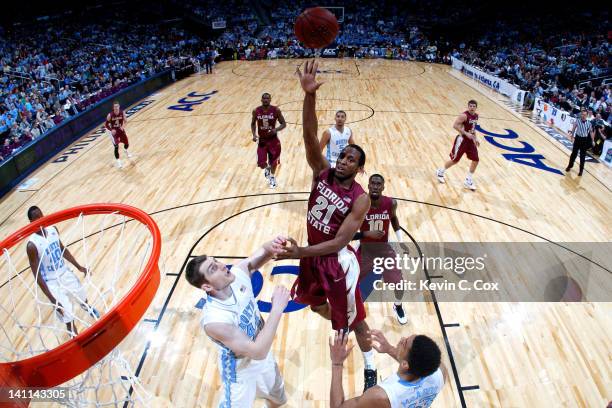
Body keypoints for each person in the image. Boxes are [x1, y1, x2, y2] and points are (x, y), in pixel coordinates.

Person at [278, 60, 378, 391]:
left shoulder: (360, 199)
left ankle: (370, 365)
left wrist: (300, 252)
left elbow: (337, 244)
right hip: (311, 256)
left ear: (358, 168)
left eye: (351, 159)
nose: (343, 160)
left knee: (357, 323)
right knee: (313, 303)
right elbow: (308, 135)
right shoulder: (320, 172)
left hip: (335, 262)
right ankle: (341, 318)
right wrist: (308, 96)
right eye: (343, 155)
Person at [185, 236, 290, 408]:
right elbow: (257, 351)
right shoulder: (214, 319)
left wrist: (271, 246)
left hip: (263, 357)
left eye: (216, 261)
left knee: (277, 399)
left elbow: (255, 259)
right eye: (213, 268)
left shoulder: (236, 275)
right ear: (207, 287)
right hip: (240, 371)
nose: (222, 266)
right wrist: (277, 308)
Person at [25, 206, 100, 337]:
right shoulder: (32, 245)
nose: (40, 220)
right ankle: (75, 338)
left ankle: (88, 308)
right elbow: (37, 276)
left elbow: (62, 250)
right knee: (67, 314)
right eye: (36, 218)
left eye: (41, 216)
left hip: (64, 273)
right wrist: (52, 299)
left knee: (82, 296)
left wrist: (79, 266)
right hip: (51, 282)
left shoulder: (53, 230)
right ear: (31, 222)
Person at [328, 330, 446, 407]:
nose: (402, 338)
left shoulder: (380, 396)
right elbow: (412, 363)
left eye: (404, 343)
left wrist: (337, 363)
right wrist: (390, 349)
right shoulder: (439, 372)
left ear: (405, 365)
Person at [353, 174, 408, 325]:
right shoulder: (360, 204)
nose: (375, 187)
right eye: (373, 184)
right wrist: (365, 235)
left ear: (383, 187)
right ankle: (351, 308)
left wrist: (401, 241)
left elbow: (394, 219)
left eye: (379, 184)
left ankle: (398, 306)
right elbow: (349, 232)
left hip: (384, 250)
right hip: (365, 249)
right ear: (368, 186)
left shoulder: (391, 203)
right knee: (349, 282)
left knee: (399, 284)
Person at [436, 100, 480, 190]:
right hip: (462, 140)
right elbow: (455, 125)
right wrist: (466, 133)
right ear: (468, 106)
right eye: (470, 106)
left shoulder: (476, 116)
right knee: (455, 160)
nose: (472, 107)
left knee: (476, 160)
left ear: (476, 107)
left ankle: (468, 180)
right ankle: (440, 172)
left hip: (470, 141)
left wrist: (475, 138)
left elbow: (473, 129)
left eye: (473, 106)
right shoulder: (464, 116)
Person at [251, 93, 287, 188]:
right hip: (262, 141)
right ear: (261, 100)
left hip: (273, 141)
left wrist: (276, 129)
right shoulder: (256, 111)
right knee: (261, 163)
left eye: (267, 98)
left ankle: (272, 177)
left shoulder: (276, 110)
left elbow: (283, 124)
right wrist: (254, 134)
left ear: (270, 100)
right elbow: (253, 123)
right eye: (264, 98)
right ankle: (267, 168)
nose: (266, 100)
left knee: (274, 162)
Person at [565, 109, 595, 176]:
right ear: (581, 114)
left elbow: (591, 132)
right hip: (577, 139)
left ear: (587, 115)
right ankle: (570, 166)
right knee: (573, 154)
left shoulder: (589, 123)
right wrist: (572, 136)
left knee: (582, 156)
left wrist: (593, 141)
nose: (583, 116)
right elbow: (574, 128)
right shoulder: (577, 120)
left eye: (585, 115)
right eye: (582, 114)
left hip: (584, 140)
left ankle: (581, 171)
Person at [105, 101, 132, 168]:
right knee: (116, 147)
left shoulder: (122, 112)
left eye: (117, 106)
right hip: (114, 132)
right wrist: (111, 130)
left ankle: (125, 150)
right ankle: (118, 161)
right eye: (115, 107)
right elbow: (106, 125)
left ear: (119, 106)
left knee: (127, 143)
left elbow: (125, 121)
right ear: (113, 108)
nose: (116, 108)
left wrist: (122, 127)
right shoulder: (110, 115)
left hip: (120, 130)